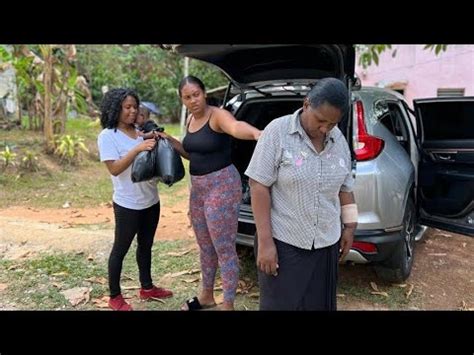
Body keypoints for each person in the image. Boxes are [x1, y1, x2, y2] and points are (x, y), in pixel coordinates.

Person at [245, 78, 357, 310]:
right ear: (306, 104)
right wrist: (265, 242)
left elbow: (345, 188)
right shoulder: (277, 132)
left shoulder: (339, 141)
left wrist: (350, 227)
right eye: (320, 120)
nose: (325, 129)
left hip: (326, 244)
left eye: (333, 123)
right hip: (285, 243)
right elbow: (258, 185)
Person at [157, 75, 261, 310]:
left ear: (204, 93)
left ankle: (228, 304)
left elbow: (235, 127)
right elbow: (192, 153)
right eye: (187, 97)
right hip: (199, 189)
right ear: (182, 100)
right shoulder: (191, 121)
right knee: (205, 246)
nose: (193, 100)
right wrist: (169, 140)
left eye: (196, 94)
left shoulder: (217, 115)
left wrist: (256, 133)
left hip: (222, 185)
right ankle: (206, 295)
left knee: (224, 247)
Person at [97, 88, 173, 311]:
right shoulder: (108, 136)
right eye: (126, 107)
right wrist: (138, 148)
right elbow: (114, 168)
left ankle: (147, 288)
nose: (132, 111)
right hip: (127, 204)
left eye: (134, 107)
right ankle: (114, 296)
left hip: (151, 200)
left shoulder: (140, 131)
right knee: (120, 249)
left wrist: (153, 141)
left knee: (146, 246)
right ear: (116, 109)